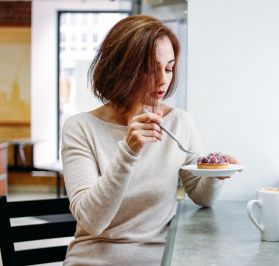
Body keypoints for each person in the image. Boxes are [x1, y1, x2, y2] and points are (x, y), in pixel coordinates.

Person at [61, 15, 239, 265]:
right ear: (121, 67)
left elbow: (201, 197)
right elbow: (92, 221)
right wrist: (128, 151)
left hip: (159, 260)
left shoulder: (179, 123)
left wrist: (214, 174)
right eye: (151, 69)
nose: (164, 80)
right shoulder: (80, 128)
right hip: (93, 260)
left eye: (169, 68)